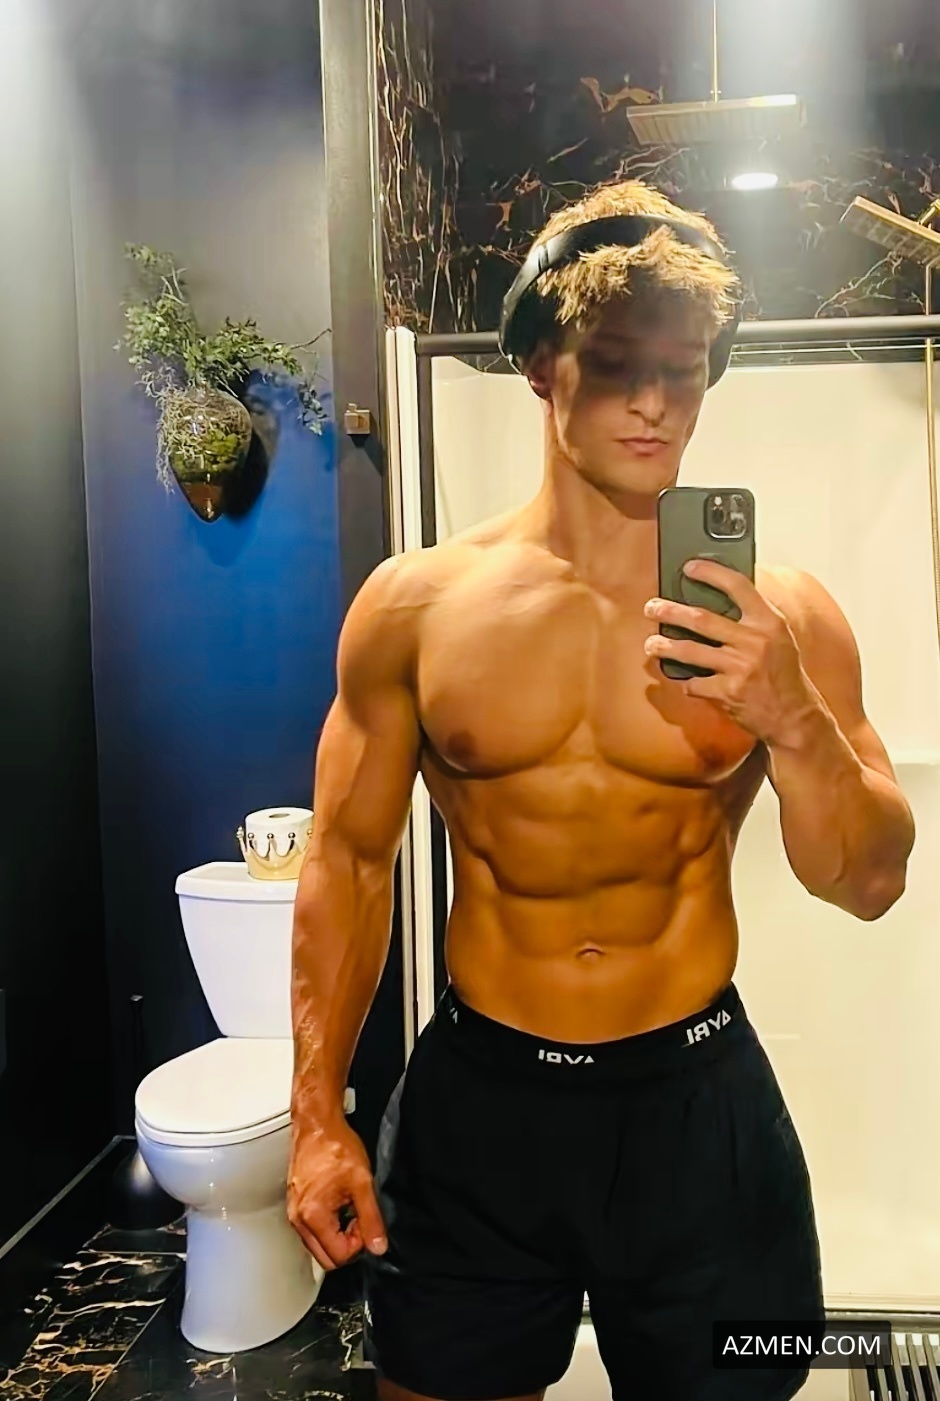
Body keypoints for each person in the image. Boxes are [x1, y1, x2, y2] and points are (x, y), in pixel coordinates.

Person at [287, 180, 915, 1401]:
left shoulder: (781, 617)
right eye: (616, 363)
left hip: (696, 1110)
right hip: (481, 1107)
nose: (653, 403)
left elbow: (869, 884)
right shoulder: (415, 608)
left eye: (683, 371)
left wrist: (791, 717)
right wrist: (316, 1111)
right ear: (538, 365)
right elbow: (349, 863)